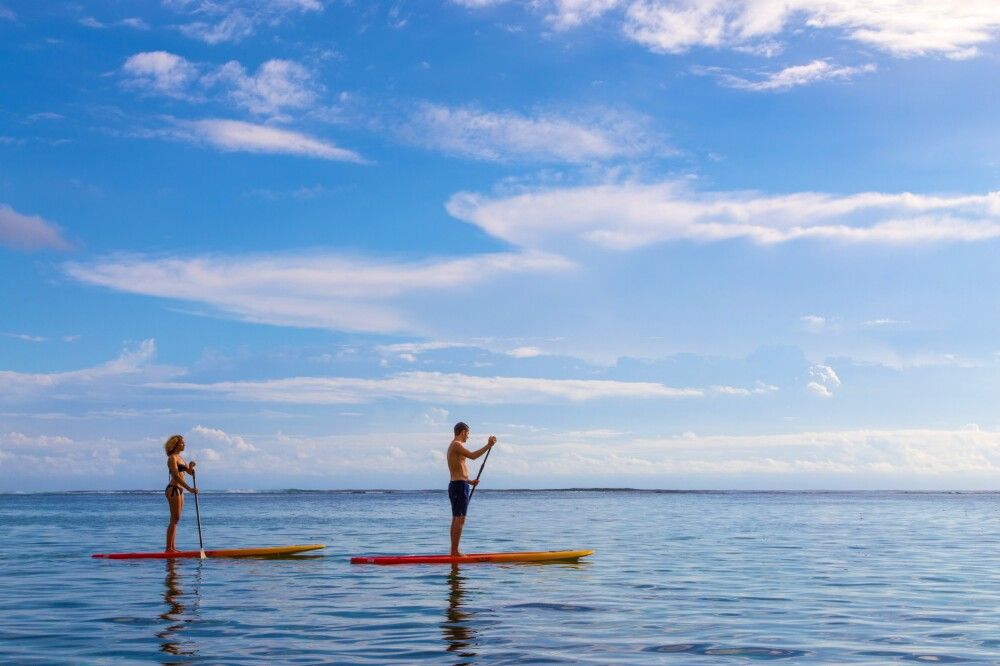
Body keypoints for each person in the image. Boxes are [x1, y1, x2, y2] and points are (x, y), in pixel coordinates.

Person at [447, 422, 496, 556]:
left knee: (457, 518)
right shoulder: (456, 445)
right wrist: (488, 445)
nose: (468, 436)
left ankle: (453, 551)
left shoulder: (453, 446)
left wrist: (469, 481)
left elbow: (457, 469)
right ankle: (455, 551)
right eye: (468, 433)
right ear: (463, 432)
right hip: (459, 486)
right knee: (460, 518)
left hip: (458, 484)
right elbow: (473, 456)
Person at [163, 435, 197, 553]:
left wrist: (191, 467)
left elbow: (190, 473)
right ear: (176, 444)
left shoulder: (181, 458)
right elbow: (176, 476)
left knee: (176, 519)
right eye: (182, 443)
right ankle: (168, 549)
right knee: (174, 519)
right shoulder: (172, 458)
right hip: (173, 489)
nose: (184, 445)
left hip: (180, 490)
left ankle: (172, 548)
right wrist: (190, 489)